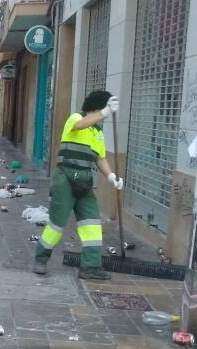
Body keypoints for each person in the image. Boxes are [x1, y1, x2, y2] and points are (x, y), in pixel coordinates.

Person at [33, 90, 124, 280]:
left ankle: (90, 267)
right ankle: (40, 259)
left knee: (92, 224)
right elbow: (79, 125)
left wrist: (111, 177)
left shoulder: (98, 132)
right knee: (57, 224)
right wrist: (106, 111)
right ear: (99, 107)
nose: (104, 118)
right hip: (65, 178)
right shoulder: (76, 118)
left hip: (84, 181)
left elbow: (100, 158)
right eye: (103, 110)